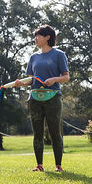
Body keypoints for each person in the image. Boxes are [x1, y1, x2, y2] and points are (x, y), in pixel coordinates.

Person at [17, 25, 69, 172]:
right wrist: (21, 83)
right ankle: (39, 165)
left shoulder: (59, 55)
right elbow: (31, 80)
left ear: (47, 37)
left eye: (38, 36)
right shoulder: (34, 57)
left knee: (54, 133)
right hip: (34, 99)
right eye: (35, 36)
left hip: (53, 98)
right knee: (37, 133)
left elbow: (66, 77)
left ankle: (58, 165)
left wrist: (54, 79)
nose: (36, 39)